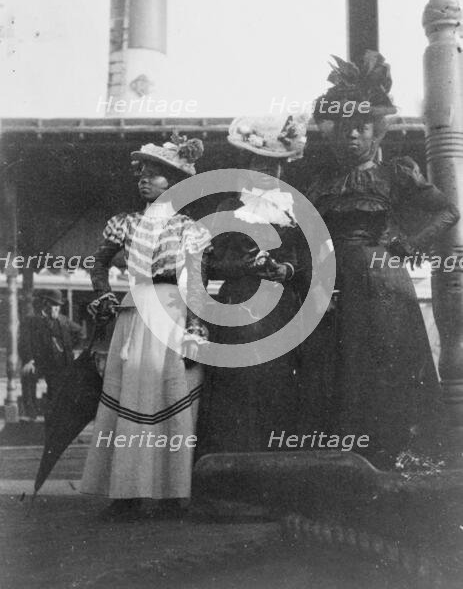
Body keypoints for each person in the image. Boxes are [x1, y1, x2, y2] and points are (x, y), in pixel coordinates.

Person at [303, 51, 459, 467]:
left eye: (361, 128)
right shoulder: (323, 182)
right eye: (343, 129)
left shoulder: (395, 173)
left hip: (382, 280)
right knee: (341, 365)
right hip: (333, 283)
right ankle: (347, 461)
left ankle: (399, 457)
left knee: (389, 360)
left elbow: (447, 212)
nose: (351, 137)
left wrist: (409, 243)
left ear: (376, 132)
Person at [80, 134, 210, 520]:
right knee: (131, 399)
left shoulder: (190, 228)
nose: (145, 180)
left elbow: (197, 282)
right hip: (134, 313)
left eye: (156, 176)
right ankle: (125, 495)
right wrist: (104, 295)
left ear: (174, 183)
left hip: (172, 313)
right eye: (143, 174)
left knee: (171, 400)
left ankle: (173, 495)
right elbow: (97, 263)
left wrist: (197, 329)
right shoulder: (125, 223)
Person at [197, 115, 311, 455]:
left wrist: (287, 269)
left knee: (279, 383)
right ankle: (234, 465)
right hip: (239, 305)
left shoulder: (293, 209)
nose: (268, 173)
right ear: (248, 165)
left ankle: (277, 466)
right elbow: (210, 261)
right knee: (241, 383)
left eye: (275, 166)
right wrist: (244, 265)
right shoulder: (228, 207)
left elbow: (306, 255)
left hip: (283, 309)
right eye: (261, 164)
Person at [19, 289, 84, 420]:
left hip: (58, 363)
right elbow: (24, 342)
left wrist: (71, 348)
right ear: (46, 304)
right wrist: (29, 361)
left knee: (59, 389)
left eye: (59, 307)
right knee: (28, 374)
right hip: (39, 362)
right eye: (54, 306)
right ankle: (30, 414)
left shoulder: (63, 321)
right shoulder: (32, 320)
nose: (57, 310)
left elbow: (80, 332)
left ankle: (55, 415)